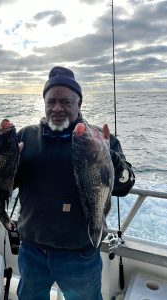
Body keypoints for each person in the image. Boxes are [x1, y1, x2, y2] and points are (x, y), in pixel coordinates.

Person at [14, 66, 135, 300]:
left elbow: (125, 184)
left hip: (80, 253)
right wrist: (4, 163)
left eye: (66, 102)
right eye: (51, 101)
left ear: (79, 104)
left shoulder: (99, 139)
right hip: (32, 250)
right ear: (44, 103)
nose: (57, 108)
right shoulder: (26, 136)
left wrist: (111, 158)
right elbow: (7, 184)